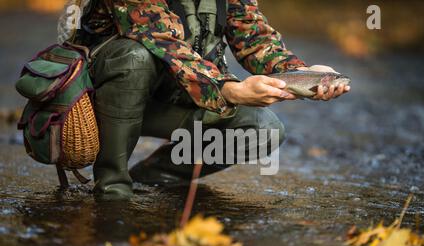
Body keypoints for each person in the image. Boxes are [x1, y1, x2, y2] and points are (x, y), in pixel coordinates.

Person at [72, 0, 350, 200]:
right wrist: (229, 89)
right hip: (97, 104)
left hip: (176, 97)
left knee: (263, 130)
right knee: (135, 57)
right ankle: (112, 190)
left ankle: (150, 180)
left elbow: (256, 40)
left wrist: (306, 75)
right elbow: (166, 44)